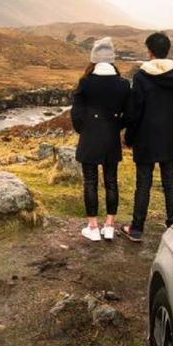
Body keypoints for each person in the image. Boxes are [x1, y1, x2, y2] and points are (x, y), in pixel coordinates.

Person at [121, 32, 173, 242]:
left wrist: (129, 137)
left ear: (150, 51)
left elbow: (134, 112)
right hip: (171, 138)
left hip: (146, 139)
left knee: (143, 184)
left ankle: (136, 229)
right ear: (167, 50)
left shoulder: (142, 76)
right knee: (170, 183)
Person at [71, 37, 131, 242]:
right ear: (112, 59)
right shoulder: (123, 84)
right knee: (111, 181)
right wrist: (116, 125)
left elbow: (76, 114)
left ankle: (93, 227)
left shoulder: (85, 83)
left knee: (90, 181)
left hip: (90, 138)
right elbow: (128, 114)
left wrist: (85, 129)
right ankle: (110, 226)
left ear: (94, 59)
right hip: (111, 139)